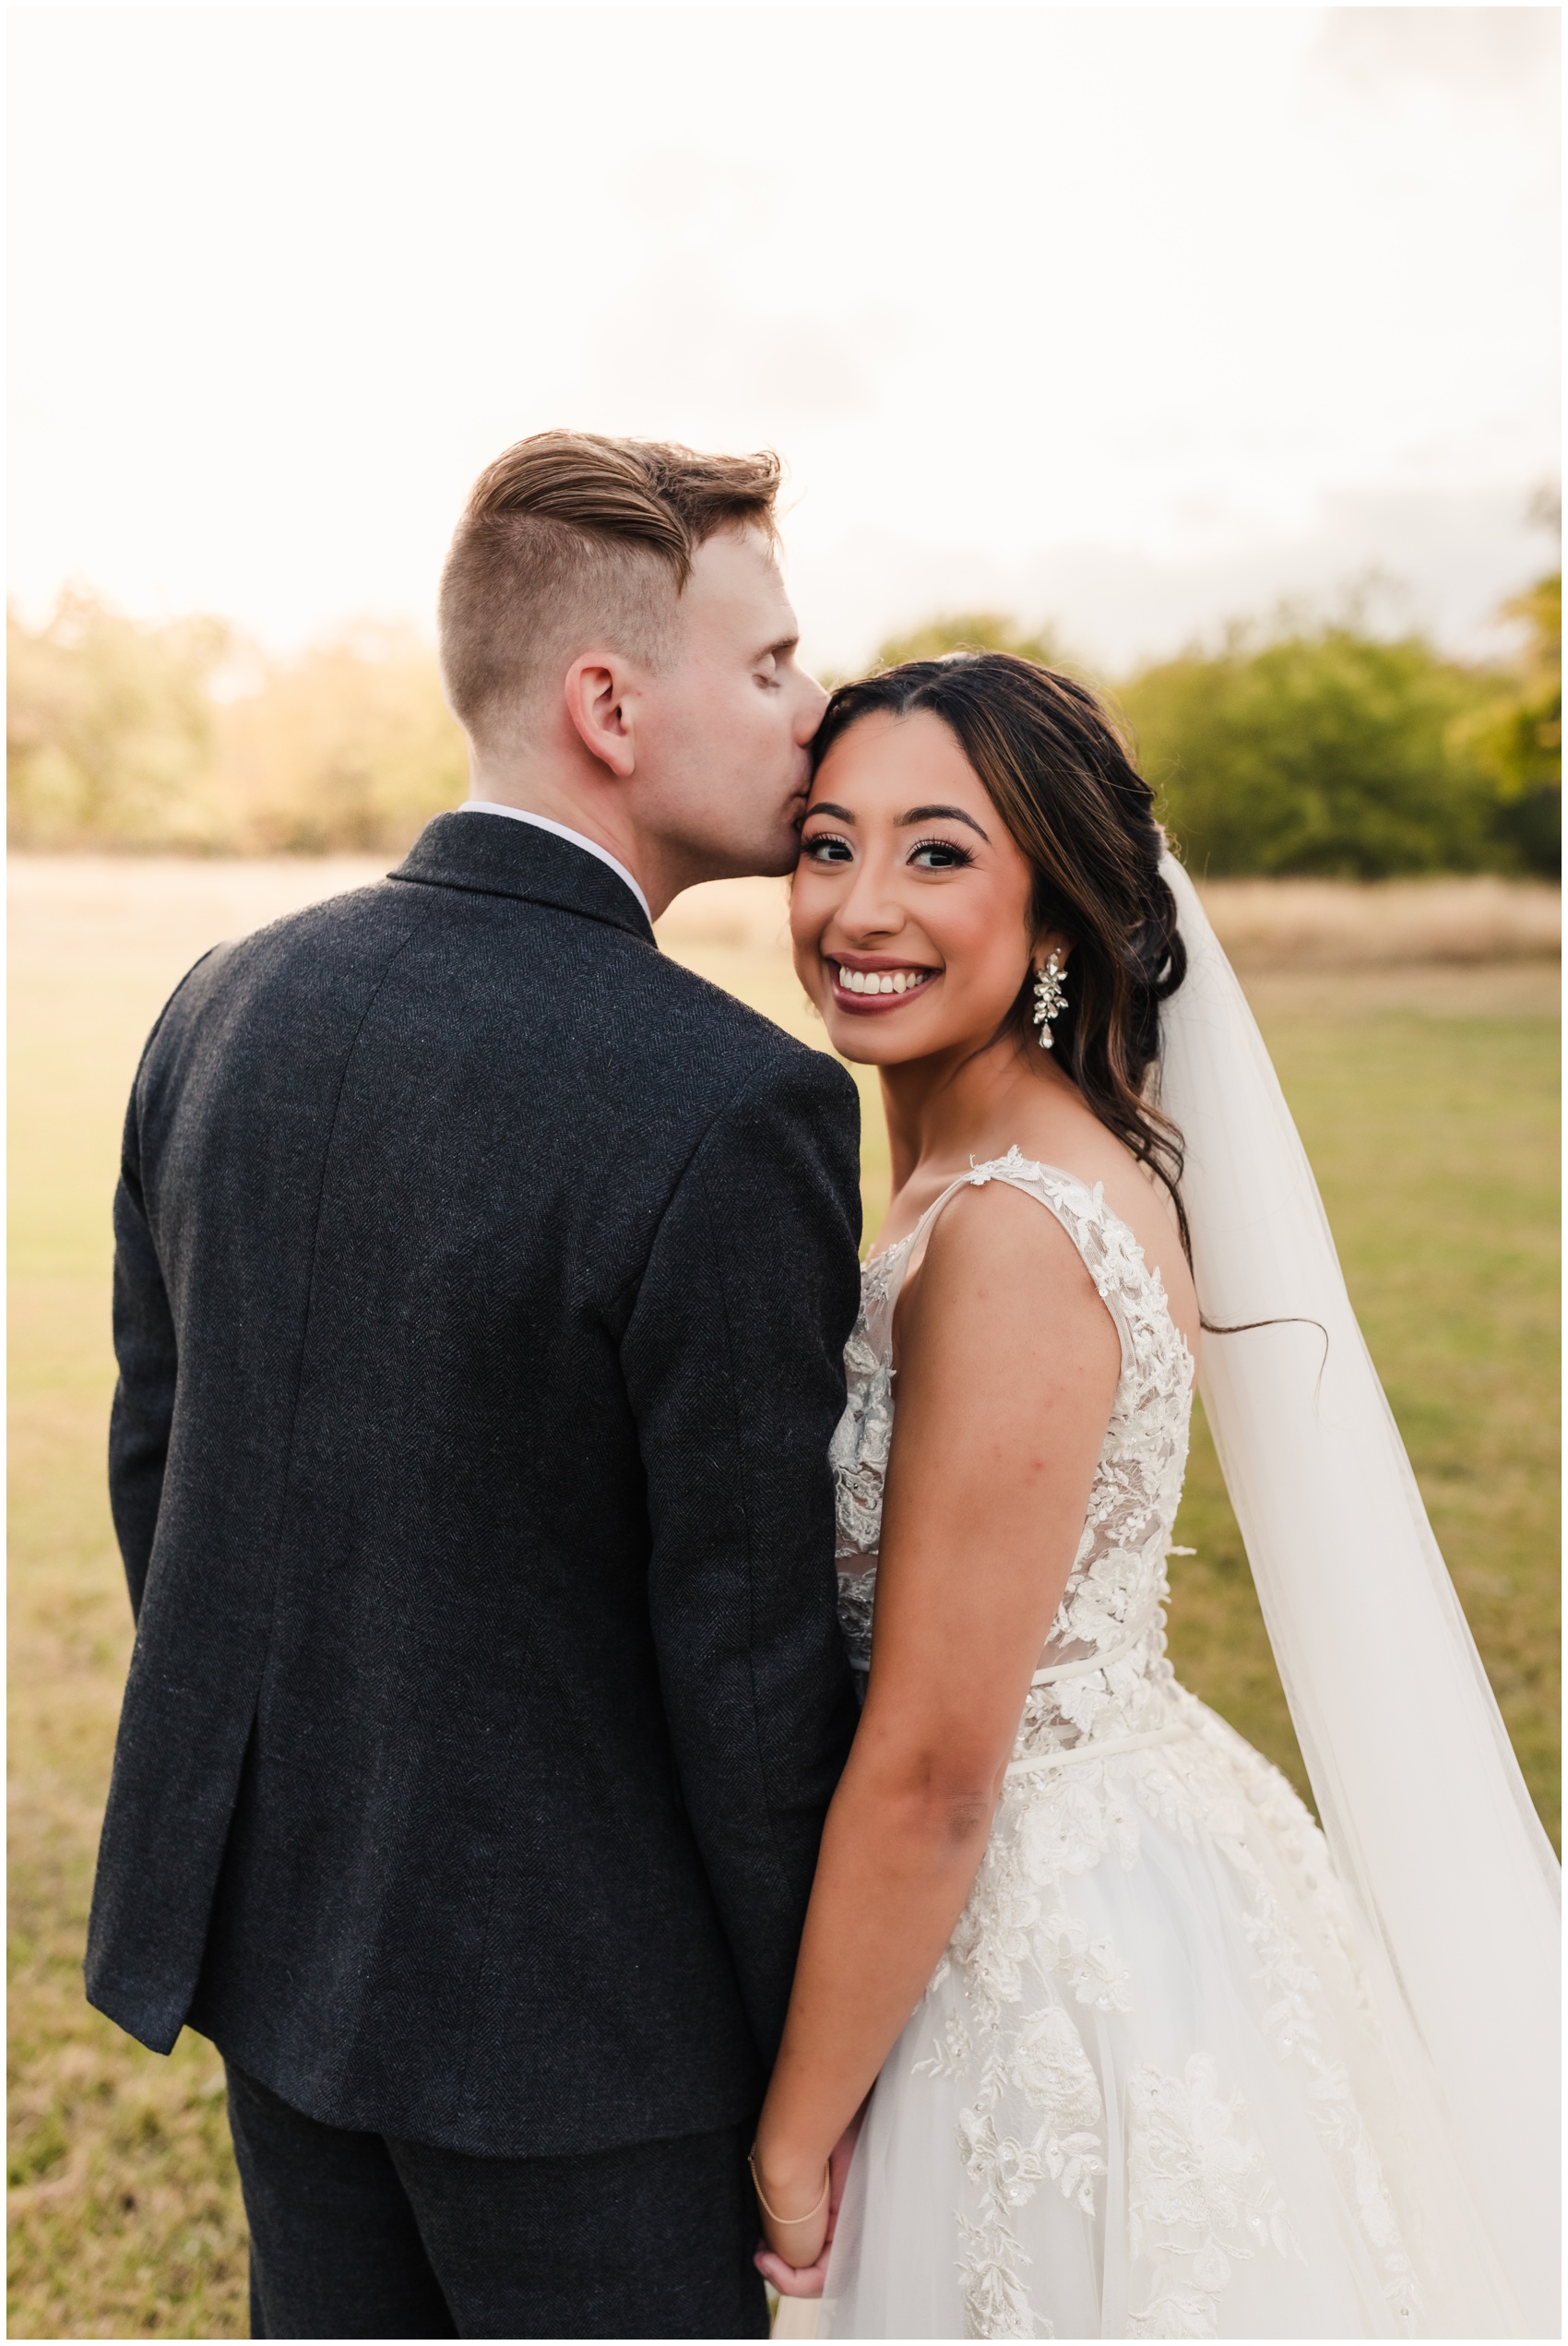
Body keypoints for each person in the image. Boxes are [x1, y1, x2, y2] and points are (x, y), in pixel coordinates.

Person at [85, 431, 863, 2339]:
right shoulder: (736, 1103)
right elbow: (748, 1670)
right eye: (769, 666)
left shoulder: (224, 998)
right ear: (607, 702)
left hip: (282, 1976)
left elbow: (157, 1465)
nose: (816, 706)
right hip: (600, 2055)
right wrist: (816, 2075)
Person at [752, 652, 1561, 2339]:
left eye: (938, 852)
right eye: (828, 845)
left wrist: (790, 2141)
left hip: (1039, 1946)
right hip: (1085, 1858)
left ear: (1057, 911)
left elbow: (933, 1775)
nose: (859, 906)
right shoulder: (981, 1169)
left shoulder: (1017, 1233)